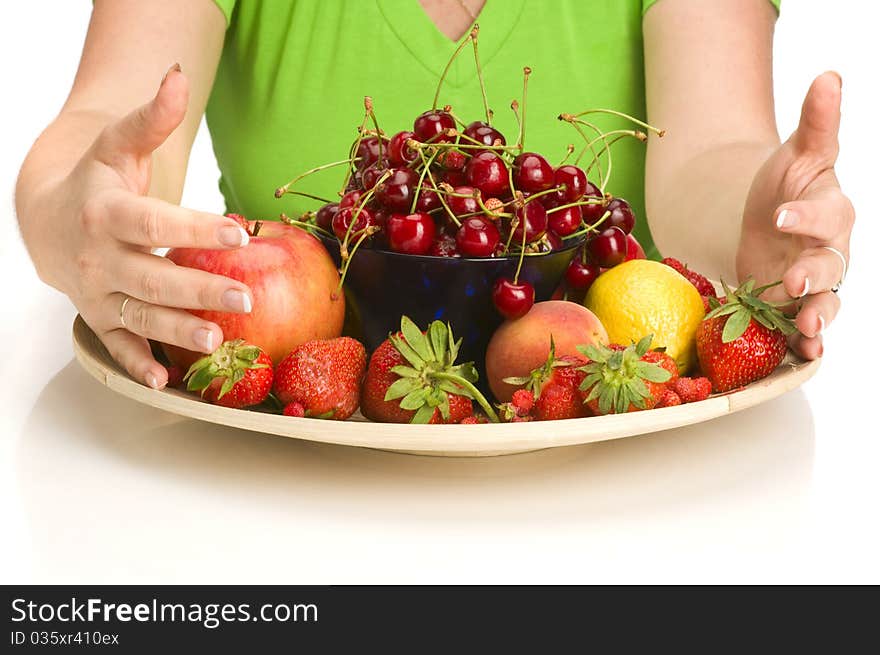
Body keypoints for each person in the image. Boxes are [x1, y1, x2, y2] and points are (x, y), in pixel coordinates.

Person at [15, 0, 854, 391]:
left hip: (624, 505)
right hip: (265, 507)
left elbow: (709, 149)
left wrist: (755, 221)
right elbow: (110, 125)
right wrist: (65, 209)